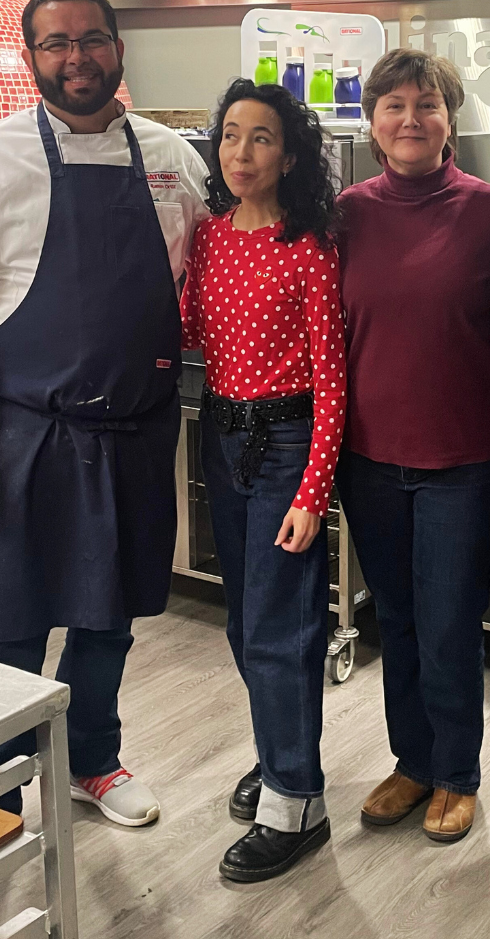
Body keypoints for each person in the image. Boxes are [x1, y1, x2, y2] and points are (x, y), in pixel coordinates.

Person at [0, 0, 209, 826]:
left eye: (92, 40)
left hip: (136, 429)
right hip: (22, 430)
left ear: (120, 49)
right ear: (31, 56)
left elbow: (216, 260)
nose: (76, 58)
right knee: (8, 620)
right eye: (56, 43)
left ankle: (94, 760)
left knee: (108, 615)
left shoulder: (169, 157)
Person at [334, 49, 490, 843]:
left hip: (462, 459)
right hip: (369, 459)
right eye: (395, 106)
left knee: (449, 625)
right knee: (398, 623)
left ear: (450, 118)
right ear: (373, 124)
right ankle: (413, 762)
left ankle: (457, 774)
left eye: (428, 105)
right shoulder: (347, 212)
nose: (412, 119)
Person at [180, 79, 346, 882]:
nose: (242, 153)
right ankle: (284, 754)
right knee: (246, 629)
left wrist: (314, 491)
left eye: (263, 139)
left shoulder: (308, 248)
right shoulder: (208, 237)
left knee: (282, 630)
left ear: (290, 156)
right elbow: (187, 327)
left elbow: (332, 382)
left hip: (285, 447)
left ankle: (295, 800)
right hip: (222, 436)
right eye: (231, 135)